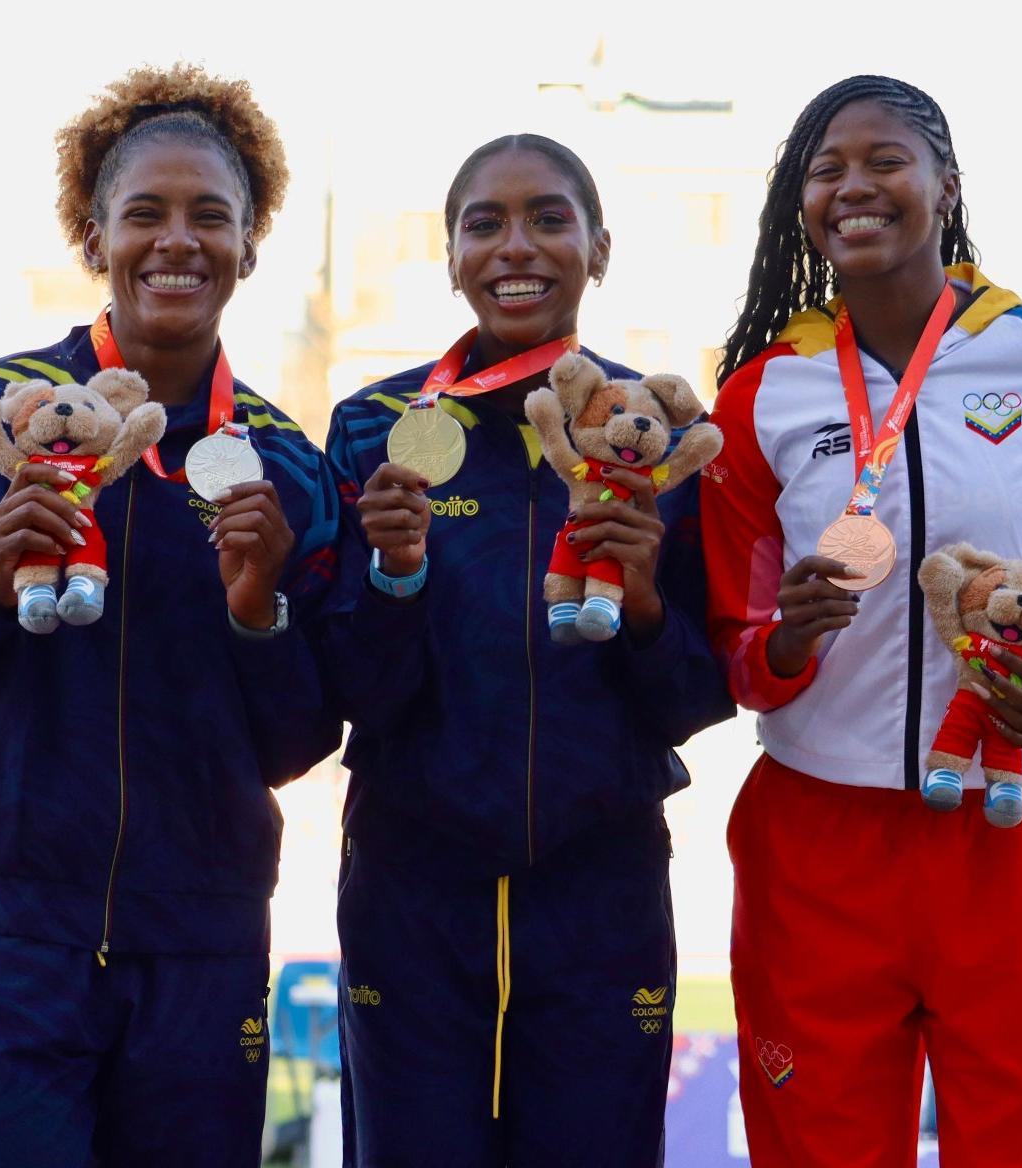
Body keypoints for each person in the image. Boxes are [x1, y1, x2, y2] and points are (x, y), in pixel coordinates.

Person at [0, 64, 338, 1167]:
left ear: (249, 245)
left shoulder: (287, 466)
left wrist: (258, 612)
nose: (177, 241)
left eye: (211, 215)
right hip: (2, 934)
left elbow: (301, 739)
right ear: (94, 236)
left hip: (200, 939)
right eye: (145, 212)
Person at [701, 76, 1022, 1166]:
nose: (853, 187)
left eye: (886, 161)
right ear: (800, 204)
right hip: (821, 840)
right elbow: (733, 638)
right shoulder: (761, 395)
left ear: (946, 187)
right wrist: (784, 641)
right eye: (826, 170)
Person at [322, 133, 735, 1167]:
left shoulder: (660, 432)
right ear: (450, 256)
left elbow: (694, 695)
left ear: (599, 248)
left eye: (550, 219)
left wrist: (645, 600)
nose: (517, 246)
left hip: (600, 887)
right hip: (413, 888)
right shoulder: (374, 427)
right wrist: (396, 576)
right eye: (486, 224)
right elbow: (350, 686)